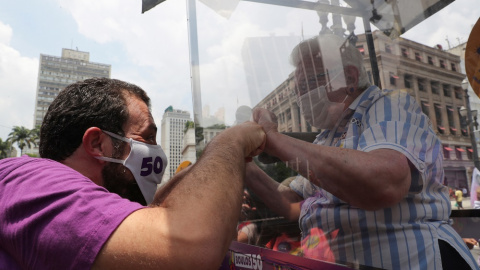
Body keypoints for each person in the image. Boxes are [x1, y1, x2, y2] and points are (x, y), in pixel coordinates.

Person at [245, 33, 479, 269]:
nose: (300, 98)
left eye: (306, 86)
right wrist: (242, 162)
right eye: (298, 90)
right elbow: (291, 202)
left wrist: (273, 138)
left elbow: (384, 182)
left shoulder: (388, 106)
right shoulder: (326, 136)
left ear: (349, 78)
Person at [0, 78, 266, 270]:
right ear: (97, 144)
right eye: (147, 137)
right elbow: (192, 250)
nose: (157, 153)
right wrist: (231, 141)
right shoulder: (29, 180)